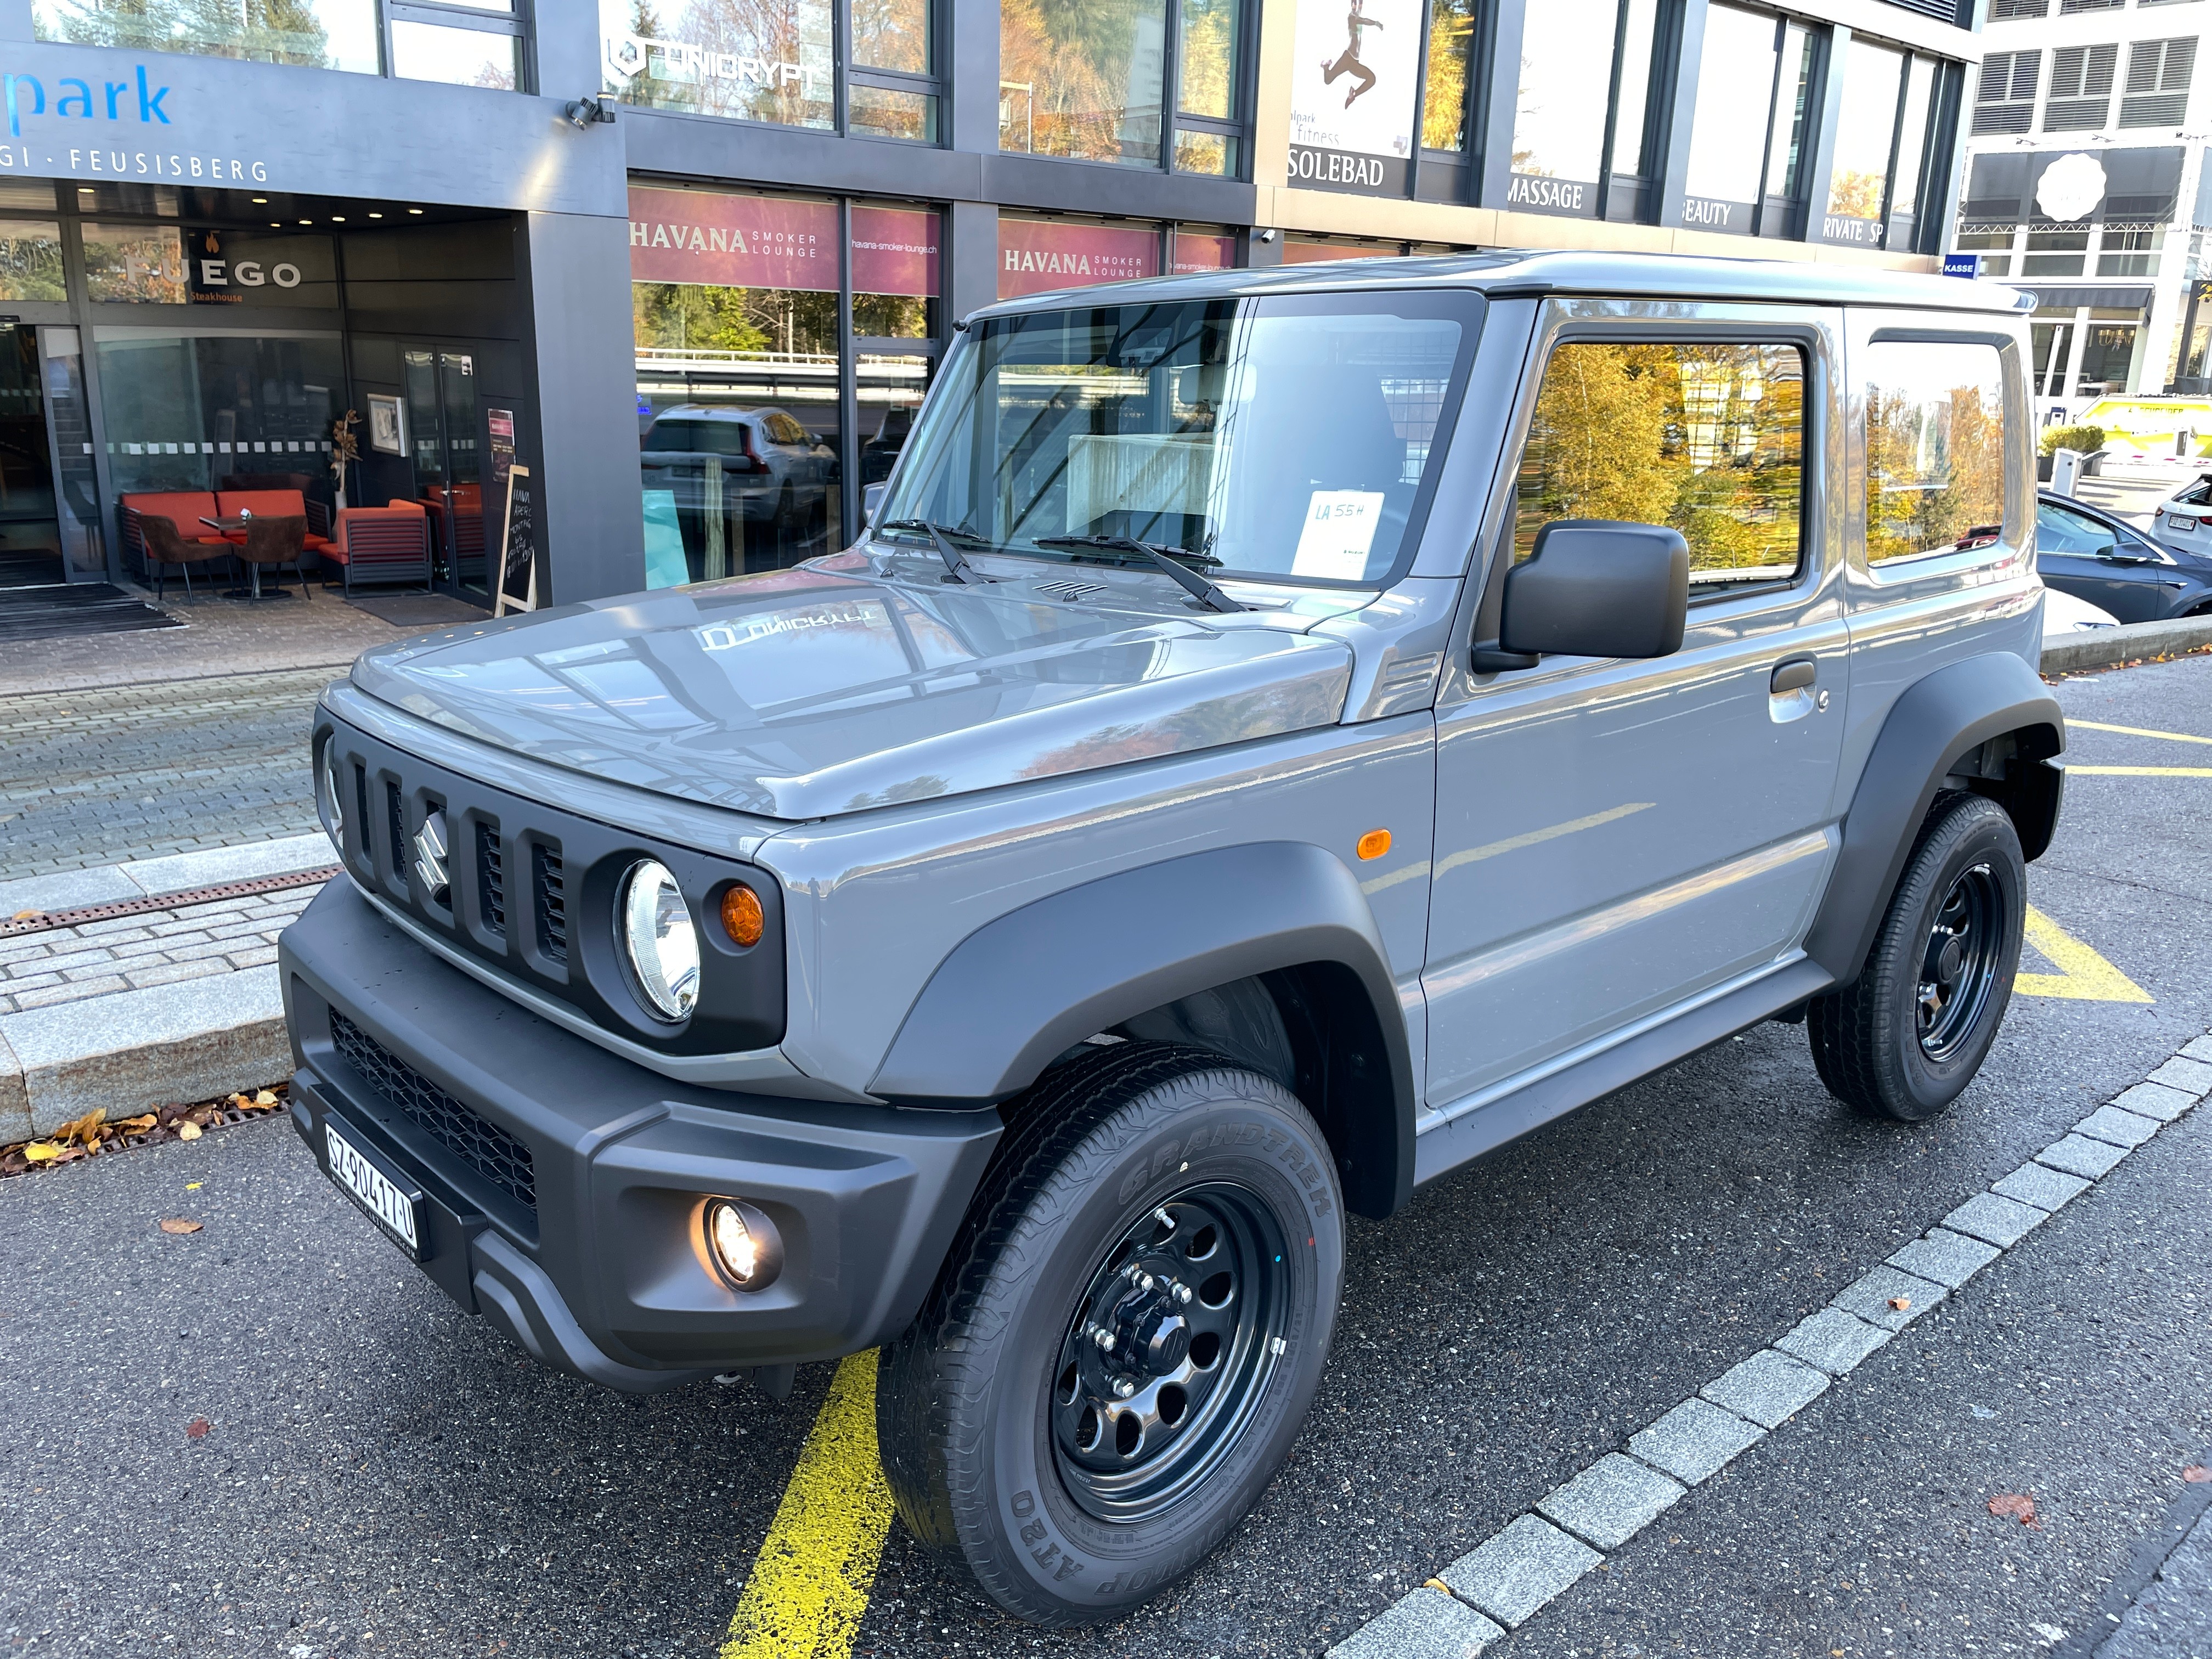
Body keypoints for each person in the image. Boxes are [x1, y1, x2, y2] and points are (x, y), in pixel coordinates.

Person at [1320, 1, 1384, 108]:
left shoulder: (1358, 12)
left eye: (1356, 4)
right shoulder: (1352, 17)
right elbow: (1363, 21)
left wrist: (1361, 4)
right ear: (1351, 5)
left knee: (1372, 79)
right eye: (1353, 4)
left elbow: (1361, 5)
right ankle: (1326, 66)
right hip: (1348, 58)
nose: (1355, 6)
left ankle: (1353, 95)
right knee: (1328, 80)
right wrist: (1376, 23)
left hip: (1354, 62)